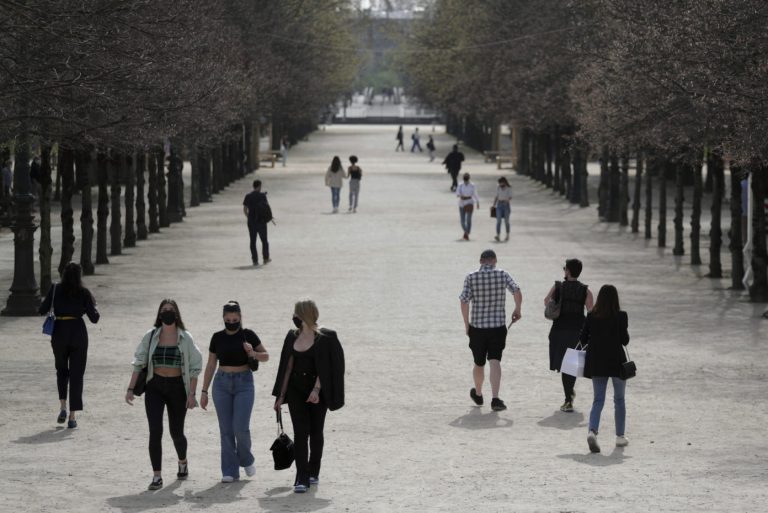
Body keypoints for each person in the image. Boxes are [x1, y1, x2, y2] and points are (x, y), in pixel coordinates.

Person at [125, 299, 203, 490]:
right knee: (155, 432)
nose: (167, 313)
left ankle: (182, 462)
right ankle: (157, 476)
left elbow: (194, 368)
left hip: (178, 388)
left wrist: (192, 394)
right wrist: (130, 389)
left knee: (176, 432)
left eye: (170, 310)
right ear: (159, 315)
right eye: (164, 310)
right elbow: (139, 361)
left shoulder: (185, 337)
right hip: (155, 387)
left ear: (176, 314)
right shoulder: (151, 336)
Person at [273, 299, 345, 493]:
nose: (294, 317)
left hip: (318, 391)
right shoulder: (291, 336)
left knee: (316, 432)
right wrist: (280, 396)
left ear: (304, 315)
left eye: (296, 314)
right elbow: (287, 368)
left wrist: (316, 390)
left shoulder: (326, 337)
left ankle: (314, 471)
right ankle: (301, 477)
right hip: (296, 390)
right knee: (300, 433)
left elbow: (328, 367)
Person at [200, 301, 269, 482]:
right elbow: (210, 364)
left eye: (235, 319)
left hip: (244, 383)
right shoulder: (217, 337)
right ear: (223, 318)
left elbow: (266, 356)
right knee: (226, 429)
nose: (231, 322)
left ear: (240, 317)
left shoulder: (248, 335)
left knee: (240, 427)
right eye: (228, 319)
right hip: (221, 383)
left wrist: (253, 352)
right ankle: (229, 471)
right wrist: (204, 391)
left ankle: (246, 459)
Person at [459, 250, 523, 412]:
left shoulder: (471, 277)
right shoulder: (502, 274)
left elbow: (464, 301)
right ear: (495, 260)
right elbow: (516, 290)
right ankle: (495, 399)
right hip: (497, 327)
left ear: (481, 261)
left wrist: (467, 324)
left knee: (479, 363)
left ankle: (479, 393)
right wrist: (517, 309)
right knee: (495, 361)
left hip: (478, 328)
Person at [38, 262, 100, 429]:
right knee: (76, 375)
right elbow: (95, 318)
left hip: (59, 333)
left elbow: (42, 309)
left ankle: (63, 407)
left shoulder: (55, 289)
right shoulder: (83, 292)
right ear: (79, 276)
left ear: (63, 274)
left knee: (61, 371)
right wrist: (94, 305)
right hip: (78, 334)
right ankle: (72, 416)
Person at [580, 285, 630, 453]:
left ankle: (592, 431)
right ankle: (620, 436)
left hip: (597, 362)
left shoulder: (592, 316)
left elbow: (583, 338)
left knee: (598, 400)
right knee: (619, 400)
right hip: (616, 362)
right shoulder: (621, 316)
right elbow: (625, 340)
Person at [544, 259, 593, 412]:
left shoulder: (558, 287)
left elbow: (546, 302)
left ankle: (568, 398)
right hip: (577, 331)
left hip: (559, 330)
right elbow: (591, 311)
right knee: (571, 365)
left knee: (562, 364)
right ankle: (569, 396)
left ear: (568, 271)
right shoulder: (586, 290)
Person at [242, 180, 272, 266]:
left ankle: (255, 260)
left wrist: (249, 217)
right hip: (261, 222)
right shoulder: (262, 196)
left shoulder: (248, 196)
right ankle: (266, 258)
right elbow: (266, 208)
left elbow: (245, 210)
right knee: (264, 241)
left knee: (253, 241)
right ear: (259, 186)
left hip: (252, 222)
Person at [456, 173, 479, 240]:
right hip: (462, 203)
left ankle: (466, 233)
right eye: (464, 179)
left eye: (467, 179)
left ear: (469, 179)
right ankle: (466, 232)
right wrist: (460, 195)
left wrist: (477, 202)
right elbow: (457, 193)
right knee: (462, 221)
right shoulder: (460, 185)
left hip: (469, 203)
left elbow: (475, 194)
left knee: (468, 219)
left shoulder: (472, 185)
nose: (466, 180)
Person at [493, 177, 512, 241]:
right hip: (499, 205)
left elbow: (510, 197)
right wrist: (493, 205)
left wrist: (507, 200)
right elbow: (496, 196)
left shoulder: (508, 188)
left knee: (506, 221)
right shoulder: (498, 187)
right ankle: (498, 235)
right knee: (498, 221)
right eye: (499, 183)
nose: (500, 184)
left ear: (504, 182)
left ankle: (507, 235)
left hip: (506, 205)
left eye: (501, 182)